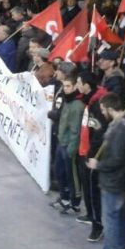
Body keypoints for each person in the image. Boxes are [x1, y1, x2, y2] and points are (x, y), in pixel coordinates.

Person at [88, 93, 125, 249]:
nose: (102, 113)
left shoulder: (119, 129)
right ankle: (124, 248)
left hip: (113, 182)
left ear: (109, 108)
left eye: (103, 109)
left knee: (112, 221)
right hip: (122, 181)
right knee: (122, 218)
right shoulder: (123, 125)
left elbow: (116, 160)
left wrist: (98, 164)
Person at [76, 71, 108, 241]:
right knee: (87, 190)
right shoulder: (88, 100)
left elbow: (98, 133)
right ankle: (90, 215)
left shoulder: (96, 105)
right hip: (84, 150)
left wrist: (91, 155)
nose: (77, 85)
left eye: (79, 82)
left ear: (87, 85)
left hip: (91, 155)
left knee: (92, 191)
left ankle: (97, 226)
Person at [51, 74, 84, 214]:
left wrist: (71, 149)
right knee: (60, 173)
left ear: (75, 86)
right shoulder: (67, 101)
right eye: (64, 86)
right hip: (61, 142)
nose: (65, 89)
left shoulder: (77, 105)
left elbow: (75, 130)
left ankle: (75, 202)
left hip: (69, 146)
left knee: (72, 176)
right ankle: (64, 198)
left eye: (68, 86)